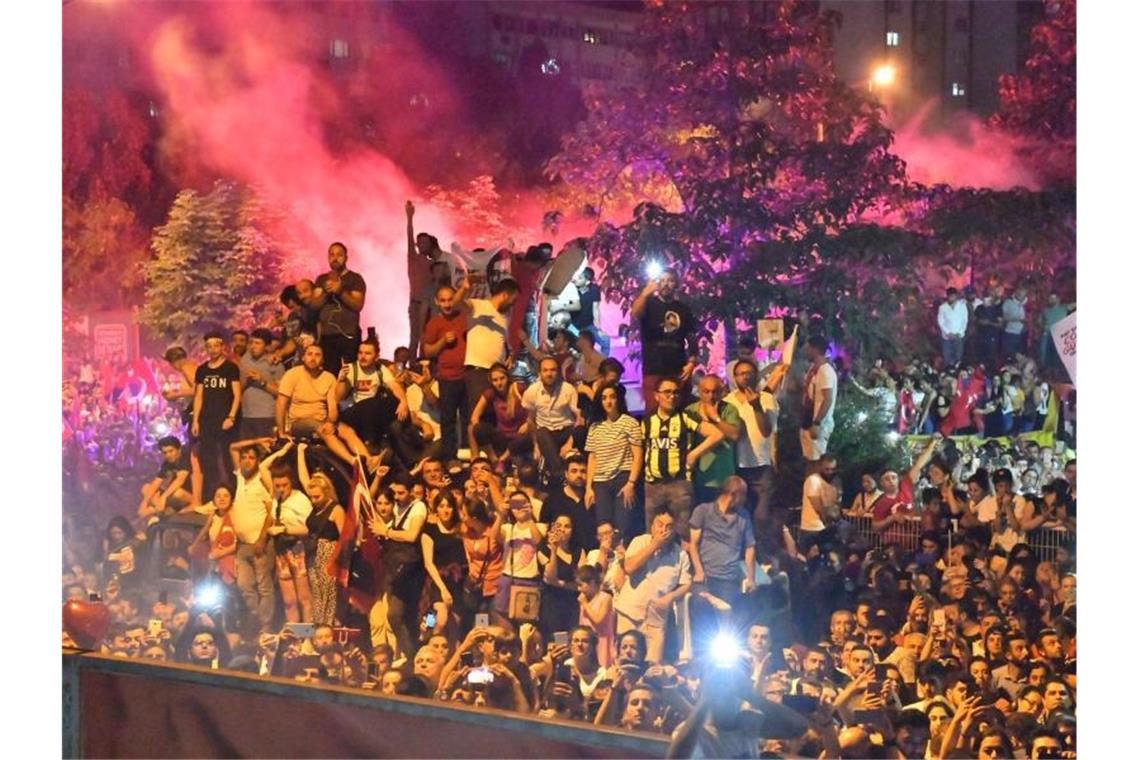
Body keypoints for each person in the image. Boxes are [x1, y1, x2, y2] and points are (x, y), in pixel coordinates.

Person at [642, 377, 723, 540]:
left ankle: (683, 564)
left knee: (683, 532)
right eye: (667, 392)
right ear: (657, 396)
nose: (671, 396)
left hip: (679, 484)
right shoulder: (647, 421)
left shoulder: (686, 417)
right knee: (652, 533)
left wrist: (694, 454)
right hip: (653, 485)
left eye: (675, 392)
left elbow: (717, 434)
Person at [277, 344, 376, 470]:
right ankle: (353, 462)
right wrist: (281, 432)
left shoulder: (328, 377)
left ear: (322, 360)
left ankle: (369, 461)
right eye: (310, 354)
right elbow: (281, 403)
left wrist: (331, 422)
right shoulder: (292, 374)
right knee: (324, 430)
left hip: (322, 419)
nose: (313, 358)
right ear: (303, 358)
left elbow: (333, 405)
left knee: (347, 431)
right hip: (300, 421)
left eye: (317, 355)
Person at [687, 477, 756, 648]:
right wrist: (699, 571)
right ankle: (700, 655)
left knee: (739, 608)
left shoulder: (744, 517)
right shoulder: (703, 511)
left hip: (729, 579)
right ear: (733, 494)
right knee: (699, 604)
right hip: (706, 577)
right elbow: (693, 544)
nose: (745, 499)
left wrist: (750, 577)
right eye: (743, 495)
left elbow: (750, 548)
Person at [631, 268, 697, 414]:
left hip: (678, 370)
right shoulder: (648, 304)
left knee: (681, 412)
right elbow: (635, 313)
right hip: (654, 369)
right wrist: (645, 294)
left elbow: (692, 338)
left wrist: (692, 362)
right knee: (653, 412)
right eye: (662, 280)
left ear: (676, 284)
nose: (666, 284)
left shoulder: (683, 309)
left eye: (670, 280)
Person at [725, 358, 779, 535]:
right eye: (740, 374)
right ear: (734, 378)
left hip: (761, 466)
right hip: (737, 466)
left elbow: (766, 431)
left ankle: (764, 557)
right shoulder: (728, 402)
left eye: (748, 373)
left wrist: (756, 406)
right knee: (741, 514)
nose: (745, 377)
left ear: (756, 375)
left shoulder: (767, 399)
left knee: (761, 516)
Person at [584, 381, 643, 542]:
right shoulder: (595, 427)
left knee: (621, 526)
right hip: (600, 482)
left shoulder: (629, 422)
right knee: (603, 527)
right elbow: (592, 457)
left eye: (612, 397)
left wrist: (631, 483)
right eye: (604, 398)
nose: (608, 401)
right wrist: (589, 487)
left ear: (618, 399)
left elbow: (638, 454)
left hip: (622, 478)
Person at [226, 440, 275, 634]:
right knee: (245, 586)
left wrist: (262, 538)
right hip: (242, 545)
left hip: (259, 543)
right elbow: (232, 447)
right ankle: (255, 620)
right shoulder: (239, 477)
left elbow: (271, 512)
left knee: (264, 587)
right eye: (244, 457)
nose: (246, 461)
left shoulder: (262, 480)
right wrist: (256, 441)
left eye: (251, 457)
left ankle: (265, 626)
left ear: (258, 461)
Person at [335, 338, 409, 464]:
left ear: (376, 356)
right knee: (373, 403)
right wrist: (342, 380)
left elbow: (394, 387)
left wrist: (403, 402)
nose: (363, 357)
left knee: (391, 400)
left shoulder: (380, 369)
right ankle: (370, 442)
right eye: (360, 353)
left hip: (372, 412)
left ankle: (405, 455)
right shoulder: (352, 368)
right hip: (351, 412)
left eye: (367, 353)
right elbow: (338, 397)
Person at [296, 443, 345, 626]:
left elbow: (344, 537)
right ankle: (317, 627)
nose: (313, 500)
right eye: (311, 497)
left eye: (316, 497)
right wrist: (300, 453)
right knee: (316, 593)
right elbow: (304, 479)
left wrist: (337, 560)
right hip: (313, 552)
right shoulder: (315, 509)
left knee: (328, 593)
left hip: (329, 551)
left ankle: (328, 625)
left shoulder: (335, 509)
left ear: (326, 492)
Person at [265, 446, 314, 623]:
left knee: (304, 598)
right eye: (277, 486)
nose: (281, 489)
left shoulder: (299, 499)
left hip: (297, 550)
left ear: (291, 482)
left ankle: (307, 638)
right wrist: (281, 451)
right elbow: (264, 468)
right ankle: (295, 639)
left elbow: (310, 529)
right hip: (281, 552)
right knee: (289, 601)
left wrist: (285, 529)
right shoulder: (275, 499)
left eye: (284, 485)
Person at [421, 283, 469, 460]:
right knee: (448, 420)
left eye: (450, 299)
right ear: (436, 302)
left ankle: (467, 454)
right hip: (447, 378)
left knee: (467, 418)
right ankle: (450, 459)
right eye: (443, 301)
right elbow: (427, 351)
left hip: (467, 376)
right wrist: (442, 342)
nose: (447, 304)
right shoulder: (434, 323)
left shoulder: (464, 318)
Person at [192, 331, 242, 498]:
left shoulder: (230, 368)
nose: (212, 349)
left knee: (228, 457)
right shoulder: (202, 370)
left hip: (226, 420)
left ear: (222, 347)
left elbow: (237, 395)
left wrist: (231, 417)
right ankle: (212, 494)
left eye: (216, 345)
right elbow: (198, 396)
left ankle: (234, 493)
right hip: (207, 420)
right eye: (209, 346)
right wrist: (195, 421)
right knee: (208, 458)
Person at [462, 278, 520, 417]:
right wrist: (464, 289)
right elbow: (456, 304)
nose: (514, 303)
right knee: (478, 414)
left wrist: (511, 354)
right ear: (505, 295)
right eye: (514, 299)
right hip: (478, 371)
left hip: (498, 373)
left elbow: (504, 341)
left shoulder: (505, 316)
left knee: (498, 414)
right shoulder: (478, 306)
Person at [522, 356, 582, 482]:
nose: (549, 374)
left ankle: (559, 476)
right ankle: (560, 475)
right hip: (546, 434)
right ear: (540, 373)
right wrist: (536, 445)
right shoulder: (532, 391)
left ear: (558, 372)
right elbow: (530, 420)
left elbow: (579, 418)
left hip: (567, 430)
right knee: (541, 432)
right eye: (545, 370)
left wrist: (569, 443)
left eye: (553, 370)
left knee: (580, 430)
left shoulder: (567, 389)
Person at [685, 375, 742, 505]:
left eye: (715, 392)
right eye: (706, 392)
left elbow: (735, 435)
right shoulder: (690, 410)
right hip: (699, 477)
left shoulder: (729, 409)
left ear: (721, 392)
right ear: (699, 391)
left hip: (724, 475)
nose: (711, 396)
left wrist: (715, 418)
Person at [421, 491, 468, 636]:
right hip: (438, 581)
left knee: (454, 625)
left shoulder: (461, 529)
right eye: (441, 506)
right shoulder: (429, 530)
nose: (445, 510)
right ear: (436, 509)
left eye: (449, 506)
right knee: (438, 619)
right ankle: (426, 637)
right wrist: (443, 589)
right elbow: (428, 563)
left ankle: (449, 656)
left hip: (458, 581)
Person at [316, 242, 367, 372]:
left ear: (346, 258)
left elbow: (358, 305)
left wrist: (340, 291)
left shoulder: (355, 279)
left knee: (350, 373)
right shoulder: (321, 279)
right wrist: (325, 293)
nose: (335, 258)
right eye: (331, 254)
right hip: (327, 336)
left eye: (339, 255)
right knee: (330, 374)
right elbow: (314, 305)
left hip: (349, 335)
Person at [468, 362, 531, 466]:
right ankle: (493, 458)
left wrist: (528, 423)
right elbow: (475, 416)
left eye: (502, 378)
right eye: (495, 380)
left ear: (508, 377)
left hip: (520, 434)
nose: (499, 383)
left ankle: (502, 459)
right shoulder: (490, 392)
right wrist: (476, 427)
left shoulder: (518, 388)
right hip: (503, 436)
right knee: (477, 428)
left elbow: (535, 409)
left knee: (520, 439)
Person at [540, 514, 587, 638]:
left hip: (572, 604)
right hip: (552, 604)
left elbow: (582, 583)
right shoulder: (543, 549)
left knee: (572, 639)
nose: (562, 529)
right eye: (558, 525)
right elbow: (550, 576)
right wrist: (554, 551)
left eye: (567, 526)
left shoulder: (579, 551)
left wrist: (559, 583)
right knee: (558, 641)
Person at [406, 200, 442, 355]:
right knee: (415, 337)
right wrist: (409, 217)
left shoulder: (434, 263)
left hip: (431, 306)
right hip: (416, 305)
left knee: (428, 337)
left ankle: (425, 363)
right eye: (420, 242)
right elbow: (409, 238)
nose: (422, 245)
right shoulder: (413, 258)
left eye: (425, 242)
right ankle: (413, 364)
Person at [238, 328, 284, 440]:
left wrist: (262, 382)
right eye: (251, 343)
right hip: (246, 416)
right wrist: (246, 380)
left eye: (257, 343)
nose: (253, 346)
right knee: (247, 454)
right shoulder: (245, 360)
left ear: (267, 346)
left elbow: (281, 392)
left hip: (267, 415)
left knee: (265, 453)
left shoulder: (275, 364)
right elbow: (238, 389)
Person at [137, 436, 194, 523]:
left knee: (177, 493)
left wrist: (163, 497)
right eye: (165, 452)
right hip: (172, 497)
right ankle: (164, 510)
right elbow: (157, 482)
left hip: (187, 495)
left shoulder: (185, 458)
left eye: (171, 451)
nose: (168, 455)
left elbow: (180, 480)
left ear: (178, 449)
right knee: (146, 488)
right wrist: (144, 503)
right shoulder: (167, 463)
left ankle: (157, 510)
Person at [800, 335, 837, 462]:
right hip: (808, 421)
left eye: (808, 348)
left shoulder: (825, 371)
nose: (805, 351)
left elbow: (828, 399)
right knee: (809, 461)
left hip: (818, 425)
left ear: (815, 349)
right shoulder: (814, 369)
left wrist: (816, 423)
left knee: (816, 462)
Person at [800, 455, 840, 550]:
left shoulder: (833, 482)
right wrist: (831, 516)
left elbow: (835, 504)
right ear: (819, 466)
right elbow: (819, 508)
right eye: (827, 469)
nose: (830, 472)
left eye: (832, 469)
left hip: (826, 528)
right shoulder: (813, 480)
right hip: (812, 529)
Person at [938, 288, 969, 368]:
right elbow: (941, 322)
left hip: (959, 336)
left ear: (956, 296)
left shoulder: (962, 306)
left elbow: (964, 320)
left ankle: (957, 375)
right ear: (947, 296)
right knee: (947, 358)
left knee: (958, 358)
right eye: (950, 296)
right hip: (947, 337)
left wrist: (960, 332)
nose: (951, 298)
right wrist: (948, 333)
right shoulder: (943, 307)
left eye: (953, 296)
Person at [1002, 286, 1029, 363]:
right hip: (1011, 333)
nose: (1020, 292)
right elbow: (1003, 318)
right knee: (1010, 355)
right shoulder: (1008, 302)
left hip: (1025, 334)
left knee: (1022, 357)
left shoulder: (1030, 304)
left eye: (1022, 290)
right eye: (1018, 289)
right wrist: (1016, 319)